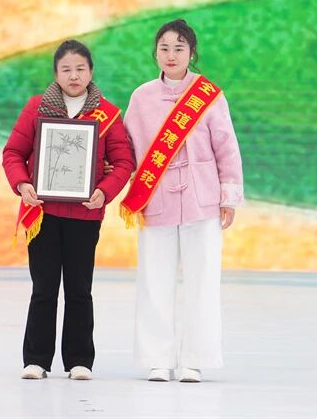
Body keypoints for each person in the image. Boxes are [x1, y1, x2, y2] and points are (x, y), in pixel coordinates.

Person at [2, 39, 135, 381]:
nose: (73, 76)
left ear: (91, 72)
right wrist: (22, 184)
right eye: (66, 69)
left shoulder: (108, 114)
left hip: (85, 216)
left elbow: (123, 162)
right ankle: (36, 360)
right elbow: (13, 153)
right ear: (56, 73)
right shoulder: (36, 108)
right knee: (43, 289)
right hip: (43, 214)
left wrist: (105, 192)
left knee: (79, 290)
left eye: (80, 69)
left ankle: (79, 361)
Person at [120, 19, 244, 383]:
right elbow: (127, 148)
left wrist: (229, 195)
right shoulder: (141, 97)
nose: (171, 55)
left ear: (192, 53)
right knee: (153, 280)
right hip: (155, 199)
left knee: (202, 281)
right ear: (155, 53)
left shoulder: (209, 95)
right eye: (164, 48)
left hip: (201, 198)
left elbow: (226, 146)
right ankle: (157, 359)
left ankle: (195, 358)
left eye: (179, 48)